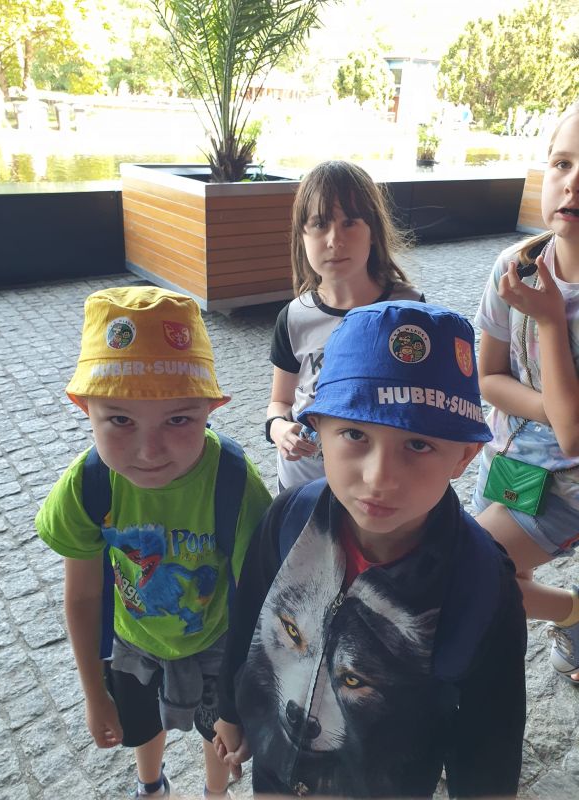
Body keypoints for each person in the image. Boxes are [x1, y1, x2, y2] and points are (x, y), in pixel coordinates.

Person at [214, 300, 527, 798]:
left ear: (465, 456)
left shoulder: (483, 582)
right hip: (275, 765)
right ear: (318, 429)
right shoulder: (290, 516)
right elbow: (249, 614)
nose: (379, 477)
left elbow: (490, 735)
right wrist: (230, 710)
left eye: (418, 445)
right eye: (355, 434)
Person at [35, 287, 272, 798]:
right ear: (85, 409)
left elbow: (257, 599)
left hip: (217, 644)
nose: (148, 451)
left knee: (217, 738)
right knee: (142, 728)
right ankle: (151, 786)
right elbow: (83, 595)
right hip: (132, 643)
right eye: (120, 419)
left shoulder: (233, 482)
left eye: (178, 419)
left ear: (211, 408)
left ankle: (215, 793)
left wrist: (235, 706)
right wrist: (94, 693)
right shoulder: (88, 486)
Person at [472, 105, 579, 684]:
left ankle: (573, 616)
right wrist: (547, 411)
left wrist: (551, 320)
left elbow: (573, 436)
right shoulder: (513, 267)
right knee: (495, 574)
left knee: (467, 570)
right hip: (507, 456)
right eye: (562, 163)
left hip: (568, 482)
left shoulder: (543, 298)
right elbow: (488, 377)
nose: (573, 182)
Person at [266, 160, 424, 490]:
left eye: (349, 222)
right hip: (303, 483)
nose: (334, 239)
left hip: (374, 484)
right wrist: (278, 428)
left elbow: (423, 399)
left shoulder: (409, 309)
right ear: (302, 235)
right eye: (319, 224)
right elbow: (280, 402)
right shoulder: (294, 317)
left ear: (373, 231)